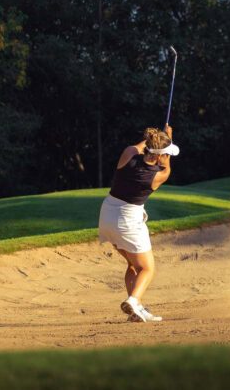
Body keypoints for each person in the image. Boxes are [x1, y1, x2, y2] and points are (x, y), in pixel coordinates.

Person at [98, 125, 178, 323]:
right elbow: (166, 166)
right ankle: (133, 300)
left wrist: (160, 138)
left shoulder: (128, 154)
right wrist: (167, 138)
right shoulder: (159, 175)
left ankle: (136, 310)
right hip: (128, 220)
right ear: (161, 156)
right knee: (147, 269)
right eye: (167, 153)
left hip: (107, 214)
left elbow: (141, 146)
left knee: (133, 265)